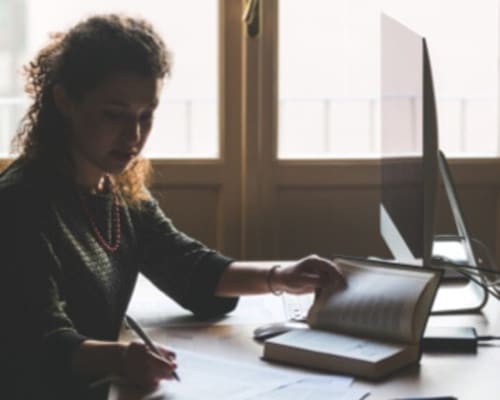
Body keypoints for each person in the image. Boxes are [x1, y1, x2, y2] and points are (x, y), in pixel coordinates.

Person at [0, 13, 345, 400]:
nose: (133, 136)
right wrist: (121, 359)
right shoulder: (20, 204)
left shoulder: (117, 189)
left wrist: (281, 276)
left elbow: (189, 267)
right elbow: (40, 344)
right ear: (65, 101)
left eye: (146, 116)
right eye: (113, 115)